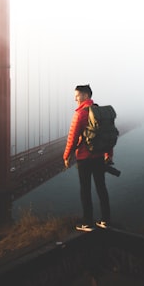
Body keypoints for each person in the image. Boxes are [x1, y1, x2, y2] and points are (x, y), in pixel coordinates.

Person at [63, 84, 113, 232]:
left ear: (85, 96)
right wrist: (108, 154)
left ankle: (88, 223)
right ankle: (105, 220)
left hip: (84, 158)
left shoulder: (80, 114)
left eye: (77, 96)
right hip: (98, 157)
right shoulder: (100, 112)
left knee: (85, 190)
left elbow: (72, 138)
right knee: (101, 188)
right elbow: (107, 136)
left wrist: (66, 156)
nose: (75, 99)